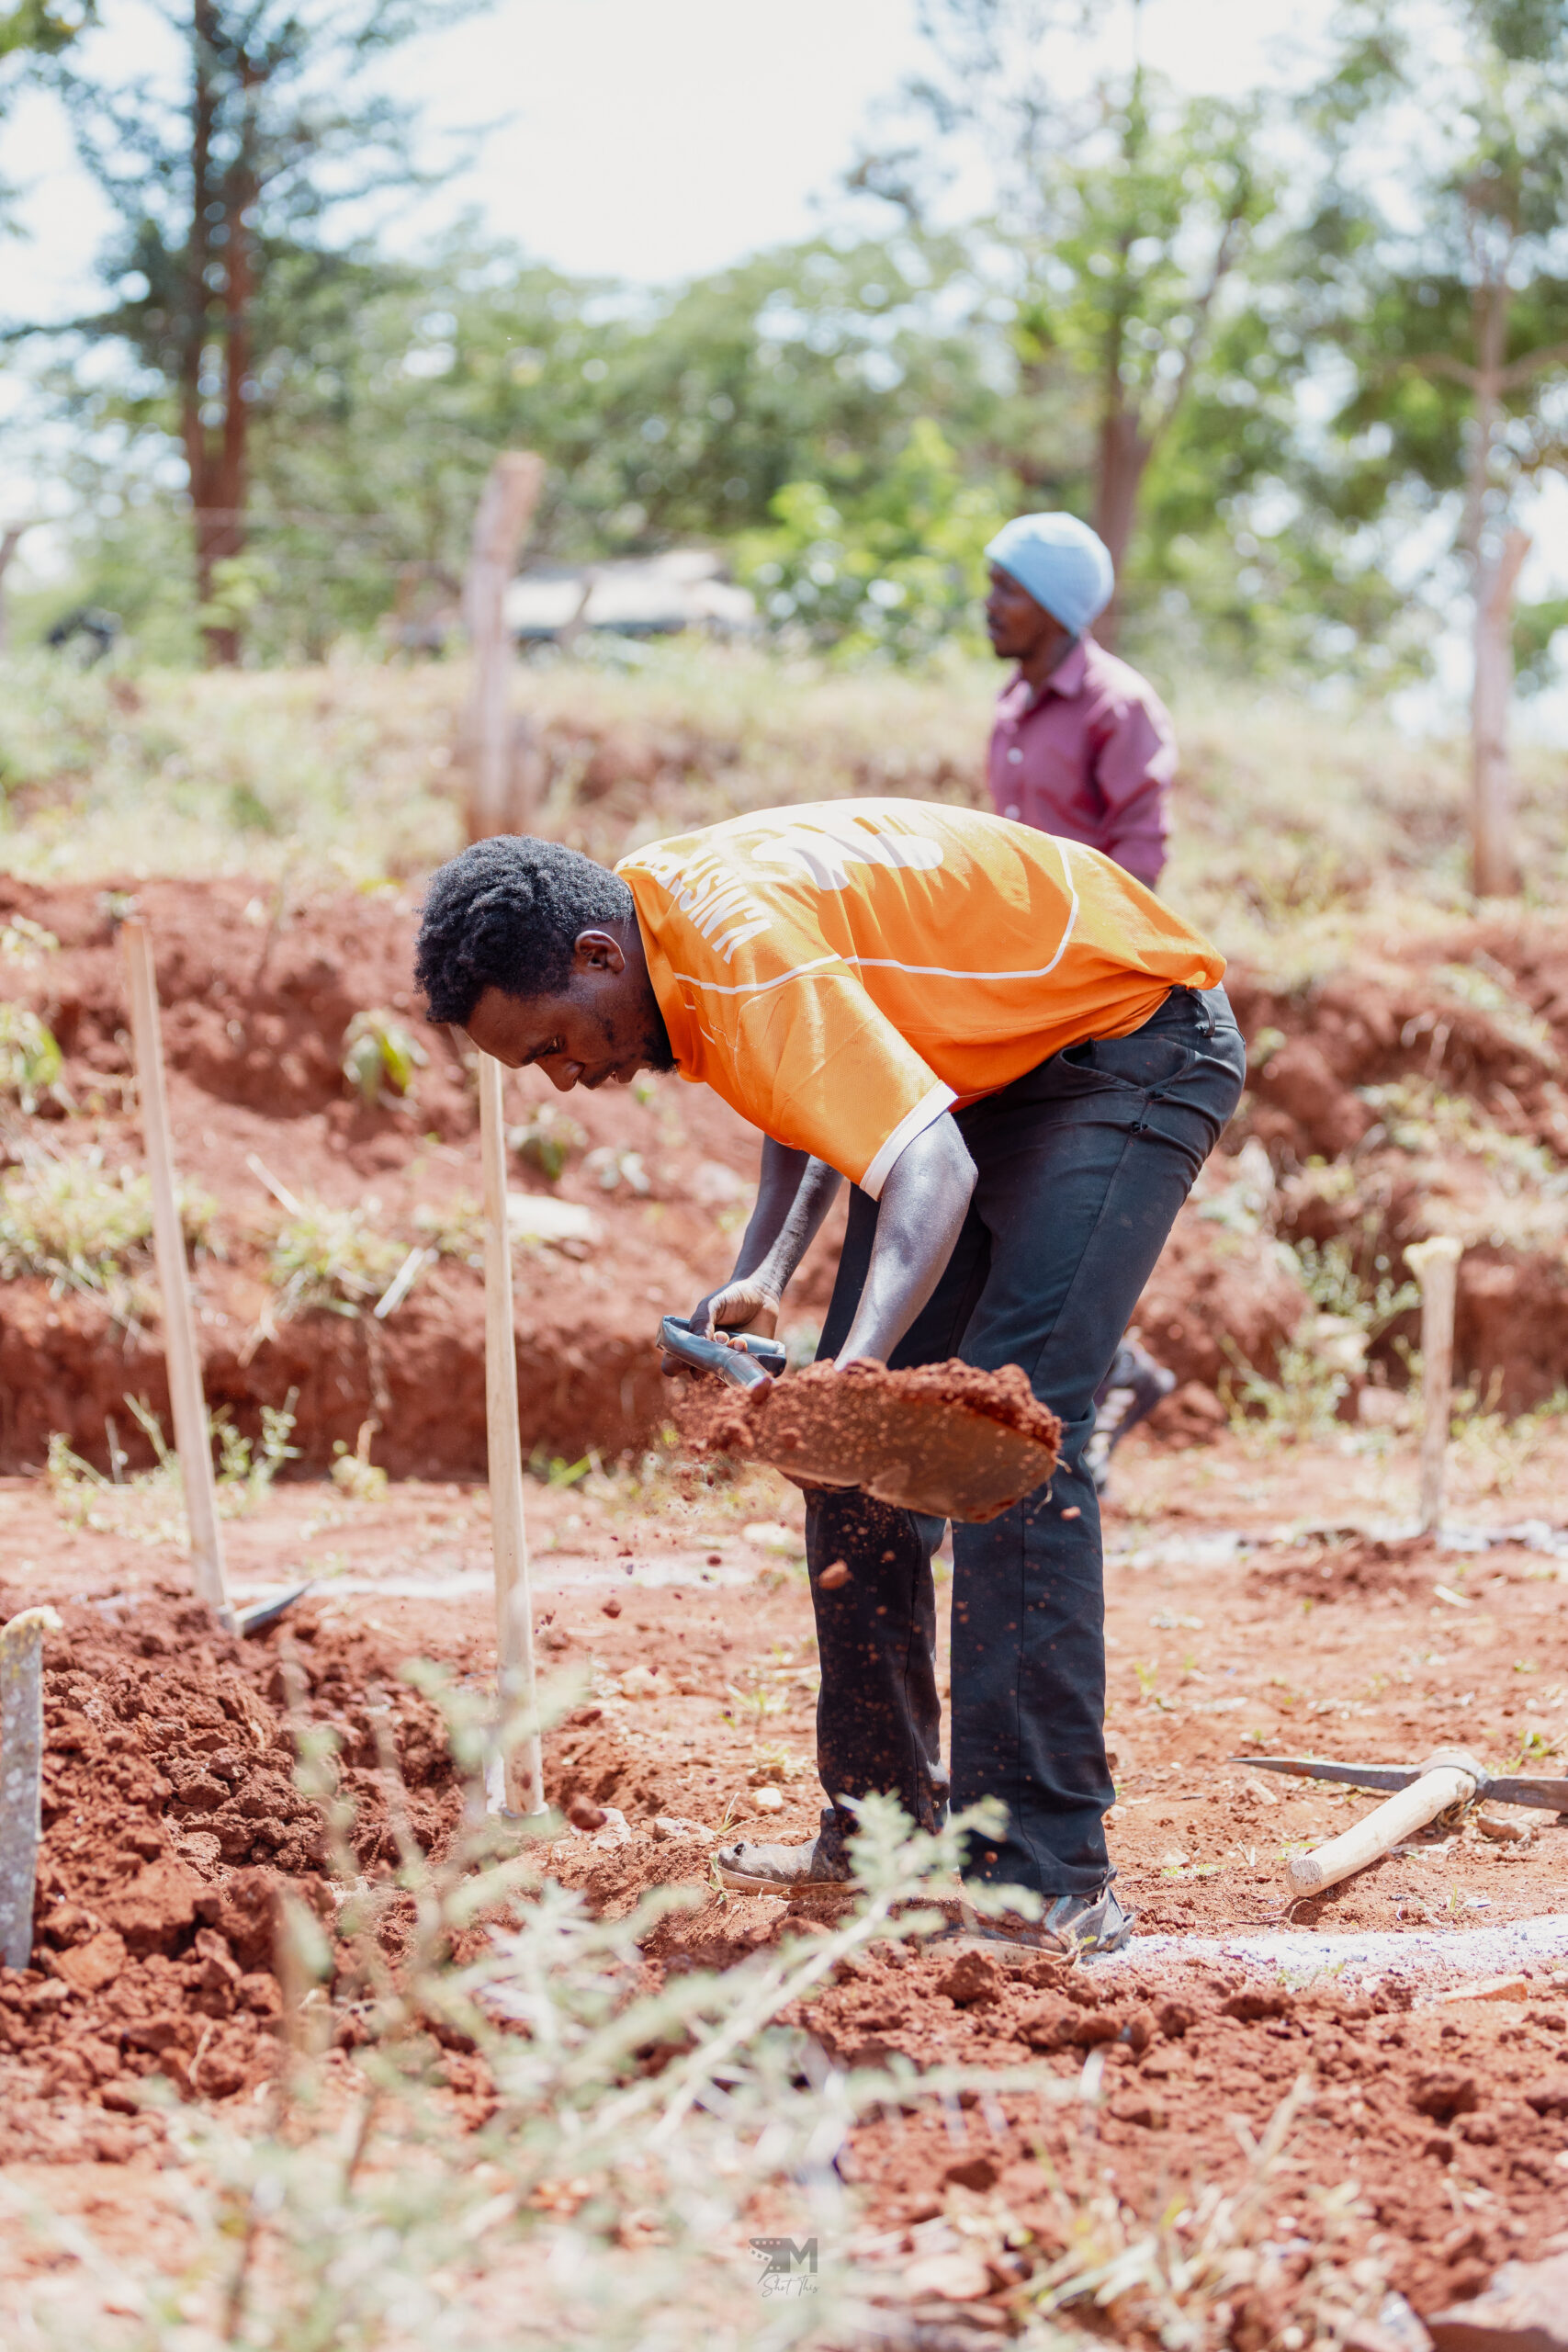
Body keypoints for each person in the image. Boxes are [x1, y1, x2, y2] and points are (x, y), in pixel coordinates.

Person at [414, 802, 1245, 1954]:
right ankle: (880, 1830)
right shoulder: (664, 927)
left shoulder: (734, 949)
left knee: (1012, 1439)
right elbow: (812, 1094)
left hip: (1122, 1042)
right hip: (985, 1069)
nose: (563, 1077)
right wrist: (767, 1272)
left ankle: (1048, 1877)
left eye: (555, 1042)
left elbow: (929, 1171)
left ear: (597, 956)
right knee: (853, 1457)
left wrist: (848, 1373)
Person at [985, 511, 1181, 1486]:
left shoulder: (1116, 705)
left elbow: (1140, 855)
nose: (990, 605)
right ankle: (1117, 1372)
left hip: (1090, 992)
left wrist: (1089, 973)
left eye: (1008, 589)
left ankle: (1081, 1392)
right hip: (1015, 992)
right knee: (1012, 1200)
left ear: (1058, 607)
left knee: (1062, 1201)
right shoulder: (1010, 713)